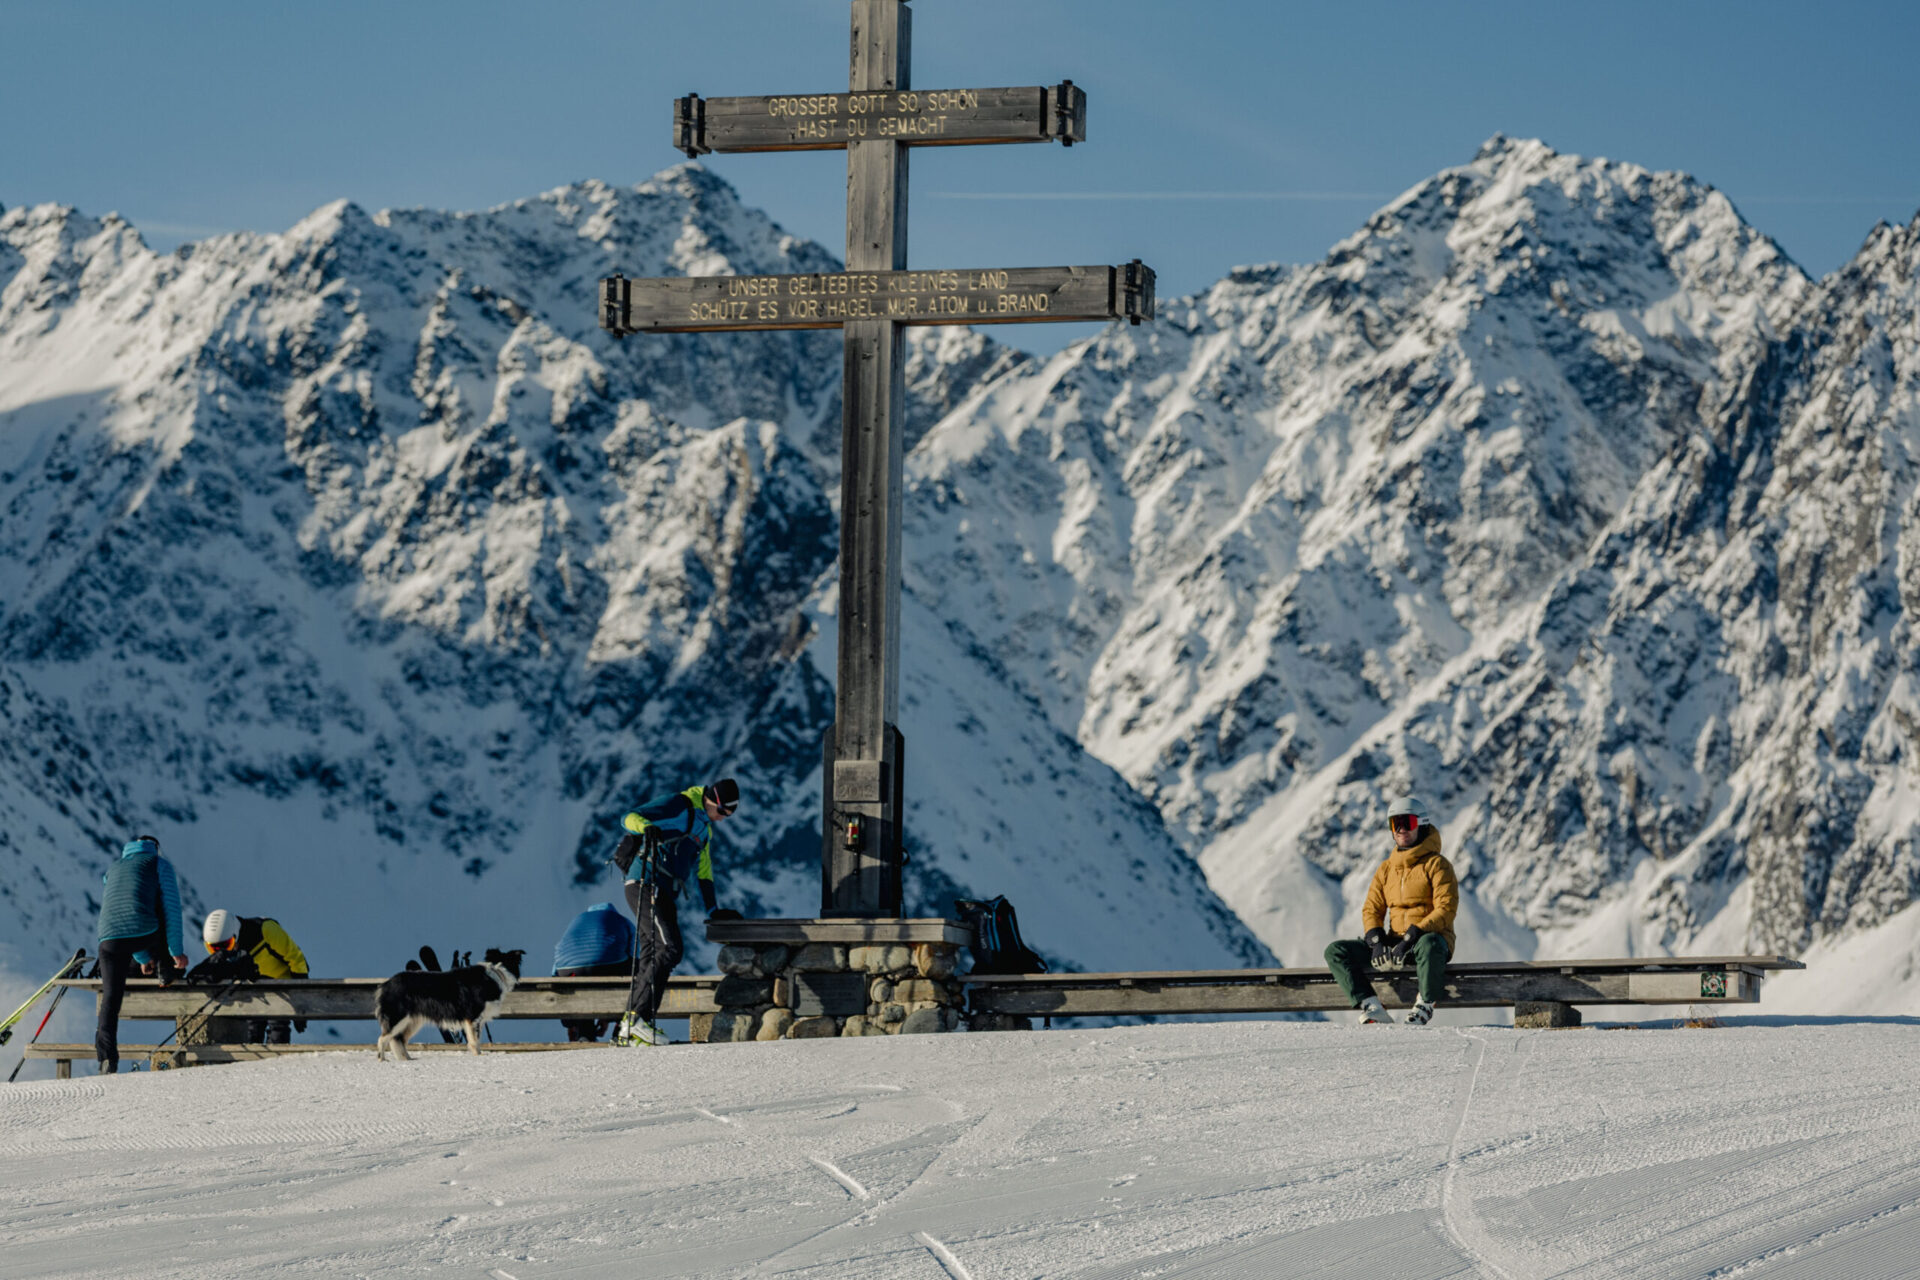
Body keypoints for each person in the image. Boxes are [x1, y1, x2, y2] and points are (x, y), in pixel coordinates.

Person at [612, 777, 740, 1046]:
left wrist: (714, 910)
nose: (724, 818)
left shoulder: (704, 831)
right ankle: (636, 1020)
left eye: (730, 813)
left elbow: (704, 873)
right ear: (711, 800)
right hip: (645, 881)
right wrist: (647, 827)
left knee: (653, 954)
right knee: (670, 948)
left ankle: (630, 1028)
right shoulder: (680, 804)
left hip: (664, 890)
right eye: (723, 811)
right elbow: (628, 818)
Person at [1324, 796, 1459, 1026]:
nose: (1402, 829)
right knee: (1336, 951)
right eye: (1396, 824)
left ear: (1422, 824)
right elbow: (1372, 908)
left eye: (1408, 822)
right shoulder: (1386, 869)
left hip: (1426, 943)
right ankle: (1372, 1006)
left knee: (1431, 944)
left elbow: (1446, 908)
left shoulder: (1437, 865)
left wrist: (1415, 934)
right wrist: (1376, 940)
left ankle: (1425, 1004)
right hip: (1395, 945)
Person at [95, 835, 188, 1073]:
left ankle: (107, 1058)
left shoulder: (113, 868)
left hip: (107, 939)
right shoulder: (159, 864)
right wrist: (176, 953)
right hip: (143, 932)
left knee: (111, 998)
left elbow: (126, 912)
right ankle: (165, 970)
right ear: (155, 848)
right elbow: (171, 910)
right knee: (158, 912)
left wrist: (143, 958)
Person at [198, 909, 311, 1043]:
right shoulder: (227, 954)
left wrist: (300, 1000)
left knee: (277, 1030)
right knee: (252, 1032)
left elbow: (297, 960)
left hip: (281, 987)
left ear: (235, 934)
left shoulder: (266, 930)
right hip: (254, 990)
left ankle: (277, 1056)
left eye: (227, 945)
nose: (221, 951)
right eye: (213, 948)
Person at [552, 903, 637, 1042]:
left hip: (568, 970)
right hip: (608, 965)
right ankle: (622, 1028)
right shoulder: (622, 921)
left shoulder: (577, 921)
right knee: (634, 971)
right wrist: (608, 1017)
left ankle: (584, 1033)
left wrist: (570, 1022)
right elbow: (637, 956)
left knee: (580, 985)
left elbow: (557, 962)